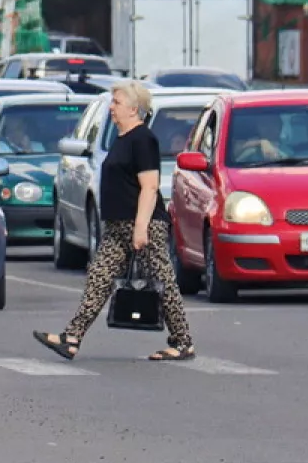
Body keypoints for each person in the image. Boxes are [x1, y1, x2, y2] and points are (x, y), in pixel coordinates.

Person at [34, 80, 194, 361]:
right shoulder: (122, 139)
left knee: (162, 281)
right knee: (98, 279)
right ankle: (71, 338)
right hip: (118, 228)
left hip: (142, 226)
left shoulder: (143, 139)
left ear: (134, 109)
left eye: (116, 103)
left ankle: (182, 342)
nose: (111, 107)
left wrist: (141, 228)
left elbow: (150, 186)